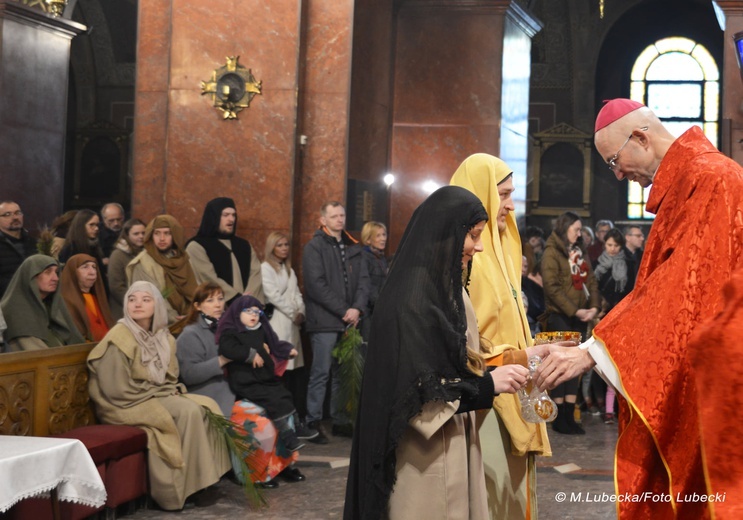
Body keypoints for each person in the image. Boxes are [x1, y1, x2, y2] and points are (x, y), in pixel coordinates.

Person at [534, 98, 743, 519]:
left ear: (641, 138)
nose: (616, 174)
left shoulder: (712, 178)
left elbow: (685, 290)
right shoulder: (693, 179)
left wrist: (591, 352)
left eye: (614, 159)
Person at [343, 186, 530, 520]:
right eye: (473, 235)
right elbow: (416, 388)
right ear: (446, 234)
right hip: (426, 456)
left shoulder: (441, 285)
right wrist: (488, 385)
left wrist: (517, 359)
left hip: (451, 437)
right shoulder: (413, 297)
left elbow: (456, 357)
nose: (480, 246)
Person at [451, 154, 551, 518]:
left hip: (515, 386)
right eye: (503, 195)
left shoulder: (503, 245)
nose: (510, 205)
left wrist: (537, 352)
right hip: (484, 398)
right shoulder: (466, 255)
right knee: (492, 495)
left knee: (514, 493)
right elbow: (466, 339)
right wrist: (519, 358)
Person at [87, 281, 230, 511]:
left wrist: (166, 390)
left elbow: (169, 376)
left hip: (150, 395)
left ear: (157, 305)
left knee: (207, 405)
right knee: (187, 411)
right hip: (124, 404)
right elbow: (115, 389)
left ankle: (202, 480)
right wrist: (159, 392)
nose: (137, 304)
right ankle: (179, 491)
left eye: (146, 299)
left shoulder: (162, 336)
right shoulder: (119, 337)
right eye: (132, 299)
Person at [177, 283, 307, 487]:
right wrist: (222, 360)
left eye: (220, 299)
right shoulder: (190, 334)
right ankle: (255, 473)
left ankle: (281, 465)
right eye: (210, 300)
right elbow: (189, 374)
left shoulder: (236, 324)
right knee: (259, 421)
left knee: (282, 408)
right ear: (197, 306)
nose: (217, 304)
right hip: (216, 391)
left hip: (245, 384)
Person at [302, 201, 370, 442]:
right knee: (321, 373)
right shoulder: (314, 247)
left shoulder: (353, 246)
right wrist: (345, 310)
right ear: (324, 220)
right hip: (324, 320)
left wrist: (357, 309)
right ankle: (312, 421)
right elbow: (315, 285)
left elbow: (364, 281)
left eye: (342, 215)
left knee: (344, 374)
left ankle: (341, 420)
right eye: (334, 216)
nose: (339, 219)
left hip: (349, 320)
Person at [217, 295, 304, 452]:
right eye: (249, 311)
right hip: (246, 381)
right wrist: (250, 355)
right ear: (237, 312)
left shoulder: (260, 330)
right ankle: (288, 435)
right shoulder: (230, 332)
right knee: (272, 400)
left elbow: (275, 343)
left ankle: (298, 426)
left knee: (284, 393)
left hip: (264, 377)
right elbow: (228, 349)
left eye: (257, 312)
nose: (254, 315)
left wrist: (287, 350)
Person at [541, 211, 600, 435]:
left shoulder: (579, 251)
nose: (579, 233)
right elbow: (552, 287)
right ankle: (558, 416)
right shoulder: (551, 252)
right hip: (559, 315)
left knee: (574, 367)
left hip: (580, 316)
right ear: (565, 228)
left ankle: (569, 414)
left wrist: (593, 307)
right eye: (575, 229)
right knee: (559, 365)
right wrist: (575, 310)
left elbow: (591, 280)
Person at [261, 232, 311, 427]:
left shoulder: (289, 270)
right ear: (271, 247)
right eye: (279, 245)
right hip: (279, 323)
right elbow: (273, 296)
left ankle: (294, 417)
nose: (284, 248)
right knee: (279, 370)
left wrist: (301, 312)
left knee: (294, 374)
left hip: (293, 324)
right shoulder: (266, 268)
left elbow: (297, 293)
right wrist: (293, 312)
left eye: (286, 245)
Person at [186, 197, 264, 305]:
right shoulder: (197, 246)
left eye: (233, 215)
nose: (231, 219)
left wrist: (248, 301)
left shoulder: (244, 245)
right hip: (216, 310)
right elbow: (208, 278)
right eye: (226, 215)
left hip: (247, 311)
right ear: (214, 217)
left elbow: (255, 274)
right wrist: (236, 299)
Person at [0, 255, 84, 351]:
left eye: (56, 272)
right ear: (30, 276)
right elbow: (37, 356)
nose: (56, 278)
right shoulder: (15, 311)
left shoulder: (51, 304)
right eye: (47, 272)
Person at [127, 215, 198, 326]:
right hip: (159, 326)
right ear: (151, 236)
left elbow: (195, 292)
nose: (162, 238)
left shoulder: (183, 260)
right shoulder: (142, 264)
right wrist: (175, 319)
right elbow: (149, 300)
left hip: (189, 320)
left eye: (167, 233)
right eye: (157, 233)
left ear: (175, 235)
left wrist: (193, 315)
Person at [59, 254, 114, 342]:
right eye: (85, 267)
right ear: (73, 272)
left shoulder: (97, 299)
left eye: (94, 267)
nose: (92, 272)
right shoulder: (65, 302)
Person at [107, 218, 146, 319]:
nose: (141, 236)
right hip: (123, 310)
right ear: (127, 235)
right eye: (136, 234)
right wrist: (136, 302)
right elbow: (116, 287)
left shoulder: (148, 254)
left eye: (143, 233)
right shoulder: (118, 255)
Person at [359, 221, 389, 342]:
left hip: (379, 311)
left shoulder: (381, 258)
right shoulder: (364, 257)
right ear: (368, 239)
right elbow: (366, 285)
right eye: (378, 235)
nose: (383, 239)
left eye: (384, 234)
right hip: (367, 313)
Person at [0, 201, 37, 298]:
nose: (15, 217)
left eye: (18, 213)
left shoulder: (34, 243)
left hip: (33, 298)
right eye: (7, 214)